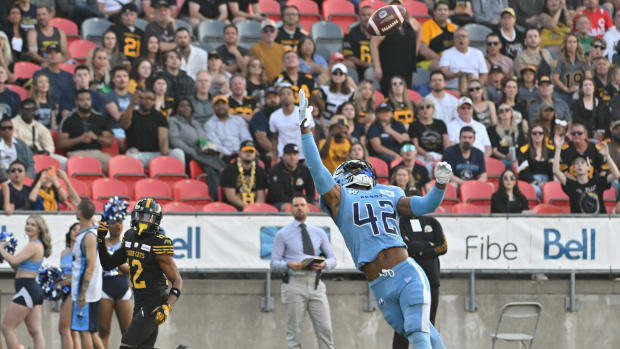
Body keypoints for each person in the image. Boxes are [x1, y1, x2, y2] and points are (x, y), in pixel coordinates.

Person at [298, 88, 449, 348]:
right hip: (379, 282)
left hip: (405, 271)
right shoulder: (339, 198)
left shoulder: (390, 192)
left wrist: (440, 184)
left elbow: (425, 205)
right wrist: (306, 132)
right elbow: (316, 169)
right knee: (422, 330)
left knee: (417, 330)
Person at [96, 198, 183, 348]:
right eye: (140, 215)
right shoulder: (130, 236)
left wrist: (167, 307)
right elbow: (108, 264)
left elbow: (177, 280)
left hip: (154, 301)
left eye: (147, 217)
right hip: (139, 300)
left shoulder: (159, 244)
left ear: (156, 220)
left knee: (127, 345)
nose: (142, 220)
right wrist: (101, 240)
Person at [270, 193, 336, 349]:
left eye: (302, 205)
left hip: (316, 284)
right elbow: (273, 263)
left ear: (308, 208)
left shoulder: (319, 232)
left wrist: (324, 264)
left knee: (325, 330)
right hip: (294, 284)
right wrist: (288, 265)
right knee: (293, 333)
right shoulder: (282, 234)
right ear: (291, 209)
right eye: (296, 205)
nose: (299, 208)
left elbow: (333, 259)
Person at [392, 215, 447, 349]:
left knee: (429, 325)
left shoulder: (432, 222)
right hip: (408, 282)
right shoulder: (400, 223)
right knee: (403, 325)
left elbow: (443, 246)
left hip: (431, 281)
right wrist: (429, 245)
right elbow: (405, 247)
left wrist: (418, 250)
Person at [0, 215, 51, 349]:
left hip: (27, 289)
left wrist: (1, 249)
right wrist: (8, 255)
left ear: (39, 229)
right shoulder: (34, 245)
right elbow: (16, 266)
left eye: (33, 225)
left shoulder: (34, 245)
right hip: (31, 289)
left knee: (6, 327)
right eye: (28, 223)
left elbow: (15, 260)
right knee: (35, 331)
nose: (29, 226)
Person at [169, 97, 226, 200]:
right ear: (176, 109)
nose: (186, 108)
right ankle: (215, 197)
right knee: (214, 168)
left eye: (188, 106)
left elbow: (204, 139)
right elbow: (175, 140)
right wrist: (192, 151)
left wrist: (213, 149)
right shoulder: (174, 121)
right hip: (190, 153)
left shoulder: (195, 122)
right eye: (182, 106)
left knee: (213, 170)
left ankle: (221, 196)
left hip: (204, 152)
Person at [554, 134, 620, 213]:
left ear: (589, 167)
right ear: (573, 169)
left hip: (600, 223)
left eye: (582, 163)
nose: (579, 165)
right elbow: (556, 171)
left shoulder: (598, 182)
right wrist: (558, 148)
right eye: (576, 163)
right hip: (578, 224)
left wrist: (607, 155)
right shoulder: (570, 185)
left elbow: (617, 174)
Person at [72, 200, 104, 349]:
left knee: (84, 331)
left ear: (79, 212)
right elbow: (79, 202)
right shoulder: (91, 229)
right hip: (89, 290)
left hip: (87, 291)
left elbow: (91, 265)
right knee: (90, 331)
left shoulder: (89, 236)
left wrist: (82, 293)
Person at [371, 1, 421, 95]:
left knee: (406, 95)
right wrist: (377, 66)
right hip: (389, 69)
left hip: (407, 68)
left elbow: (419, 30)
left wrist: (416, 50)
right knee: (390, 96)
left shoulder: (409, 21)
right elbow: (373, 44)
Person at [99, 214, 133, 349]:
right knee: (103, 331)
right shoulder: (101, 243)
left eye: (120, 222)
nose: (118, 225)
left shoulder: (127, 244)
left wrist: (113, 261)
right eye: (114, 222)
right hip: (104, 287)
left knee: (128, 333)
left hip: (122, 287)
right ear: (107, 225)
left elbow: (132, 269)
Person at [58, 89, 114, 172]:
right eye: (82, 100)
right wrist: (80, 139)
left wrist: (96, 137)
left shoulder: (99, 118)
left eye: (88, 99)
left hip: (97, 154)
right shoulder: (68, 119)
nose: (86, 102)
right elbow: (60, 144)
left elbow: (109, 141)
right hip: (76, 153)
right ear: (76, 102)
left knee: (114, 166)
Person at [270, 85, 315, 163]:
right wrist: (274, 158)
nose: (286, 96)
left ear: (294, 97)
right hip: (283, 156)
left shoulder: (303, 113)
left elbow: (312, 134)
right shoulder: (274, 116)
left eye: (288, 94)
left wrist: (310, 156)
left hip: (302, 156)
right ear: (279, 98)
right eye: (283, 94)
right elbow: (274, 139)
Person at [220, 140, 269, 210]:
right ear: (240, 153)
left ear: (255, 154)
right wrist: (247, 208)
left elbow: (261, 196)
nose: (248, 153)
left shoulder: (260, 171)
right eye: (246, 151)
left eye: (251, 151)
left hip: (255, 209)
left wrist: (256, 208)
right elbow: (230, 196)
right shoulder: (229, 169)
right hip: (234, 209)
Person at [204, 94, 252, 162]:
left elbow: (246, 138)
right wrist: (231, 154)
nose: (221, 106)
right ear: (213, 108)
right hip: (224, 157)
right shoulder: (209, 124)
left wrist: (242, 152)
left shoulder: (238, 120)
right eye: (217, 104)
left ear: (228, 106)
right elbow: (215, 144)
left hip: (243, 154)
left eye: (223, 103)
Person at [268, 143, 315, 210]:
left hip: (299, 203)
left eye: (295, 154)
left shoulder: (305, 170)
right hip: (278, 204)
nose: (292, 157)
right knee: (288, 207)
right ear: (283, 156)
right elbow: (278, 196)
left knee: (317, 207)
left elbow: (311, 194)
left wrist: (303, 202)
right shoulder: (275, 171)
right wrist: (297, 203)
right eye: (289, 154)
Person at [409, 98, 449, 173]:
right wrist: (427, 155)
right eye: (421, 108)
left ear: (433, 109)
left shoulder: (440, 124)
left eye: (428, 107)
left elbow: (446, 143)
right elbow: (415, 145)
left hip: (439, 155)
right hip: (422, 155)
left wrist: (446, 156)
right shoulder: (414, 125)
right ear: (418, 111)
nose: (425, 110)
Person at [59, 223, 82, 349]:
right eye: (74, 229)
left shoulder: (80, 252)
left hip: (75, 291)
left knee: (64, 329)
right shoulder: (64, 253)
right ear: (70, 233)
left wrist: (61, 282)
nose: (76, 232)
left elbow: (78, 276)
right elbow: (61, 274)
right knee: (72, 331)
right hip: (64, 291)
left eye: (79, 230)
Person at [516, 123, 554, 197]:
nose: (537, 135)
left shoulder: (551, 150)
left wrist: (549, 184)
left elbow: (554, 170)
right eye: (534, 133)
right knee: (537, 191)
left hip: (548, 180)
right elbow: (523, 172)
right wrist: (536, 183)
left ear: (544, 135)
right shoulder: (523, 150)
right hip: (531, 181)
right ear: (530, 135)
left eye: (540, 133)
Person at [552, 33, 589, 104]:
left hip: (579, 91)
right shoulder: (559, 59)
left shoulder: (584, 59)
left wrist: (580, 89)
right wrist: (566, 89)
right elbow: (555, 78)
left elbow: (588, 76)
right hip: (561, 92)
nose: (572, 44)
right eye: (569, 42)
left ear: (577, 44)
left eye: (574, 42)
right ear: (565, 44)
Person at [419, 1, 457, 70]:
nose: (443, 12)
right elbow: (423, 51)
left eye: (445, 10)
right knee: (440, 65)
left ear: (449, 12)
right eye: (440, 9)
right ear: (434, 12)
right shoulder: (426, 26)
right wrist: (443, 60)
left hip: (450, 62)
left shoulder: (453, 28)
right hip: (428, 62)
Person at [488, 103, 525, 168]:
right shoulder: (492, 130)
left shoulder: (518, 130)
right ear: (498, 115)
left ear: (511, 113)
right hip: (501, 160)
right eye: (501, 111)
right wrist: (505, 157)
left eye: (507, 110)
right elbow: (494, 150)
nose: (504, 113)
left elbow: (523, 148)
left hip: (517, 160)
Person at [342, 3, 373, 79]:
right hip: (357, 67)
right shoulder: (351, 32)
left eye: (369, 15)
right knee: (347, 63)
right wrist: (366, 64)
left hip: (377, 67)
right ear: (358, 17)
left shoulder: (381, 32)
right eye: (363, 15)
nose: (366, 18)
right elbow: (348, 56)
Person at [250, 86, 279, 160]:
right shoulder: (259, 116)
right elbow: (262, 139)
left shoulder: (283, 114)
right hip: (267, 153)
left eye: (275, 97)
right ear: (265, 100)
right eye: (269, 97)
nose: (272, 100)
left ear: (279, 99)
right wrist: (276, 153)